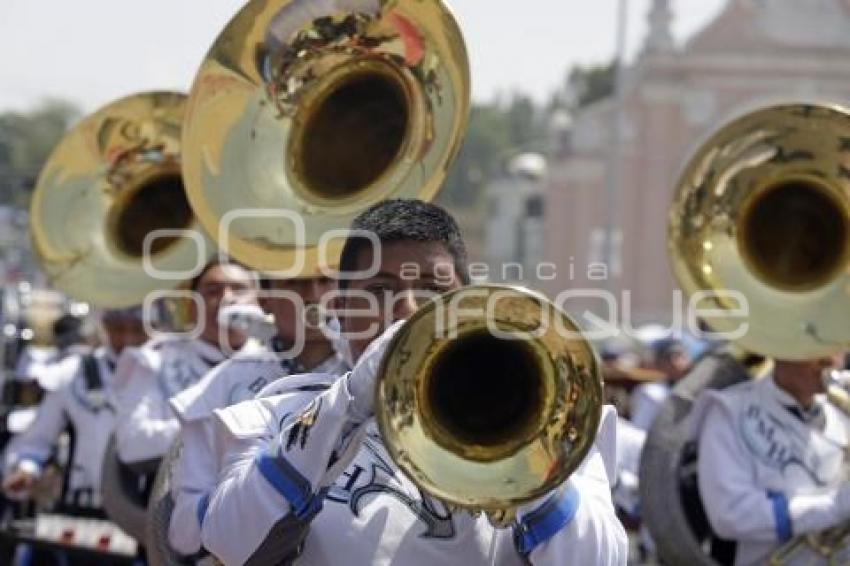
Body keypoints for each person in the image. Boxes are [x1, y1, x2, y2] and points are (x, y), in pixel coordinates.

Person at [197, 199, 627, 565]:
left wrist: (520, 447)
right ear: (342, 312)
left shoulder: (553, 424)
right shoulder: (274, 414)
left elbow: (594, 558)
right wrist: (346, 404)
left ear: (467, 300)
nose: (407, 310)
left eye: (431, 288)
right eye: (380, 290)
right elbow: (229, 544)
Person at [167, 273, 348, 556]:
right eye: (296, 283)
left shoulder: (370, 369)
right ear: (267, 302)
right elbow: (184, 530)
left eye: (326, 281)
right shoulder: (224, 382)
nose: (313, 295)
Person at [693, 355, 850, 566]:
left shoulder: (840, 412)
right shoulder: (729, 410)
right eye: (816, 351)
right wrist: (833, 507)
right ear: (781, 350)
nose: (833, 361)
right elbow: (730, 514)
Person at [112, 259, 258, 468]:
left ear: (261, 302)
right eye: (213, 291)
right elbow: (131, 444)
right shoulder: (154, 360)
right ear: (190, 307)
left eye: (239, 289)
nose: (226, 299)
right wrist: (219, 428)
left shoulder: (281, 363)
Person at [2, 307, 148, 512]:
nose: (128, 338)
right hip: (84, 502)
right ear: (105, 326)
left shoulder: (167, 375)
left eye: (137, 329)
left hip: (147, 511)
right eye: (119, 328)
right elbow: (39, 439)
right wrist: (27, 469)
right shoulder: (73, 374)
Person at [630, 337, 691, 431]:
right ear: (660, 363)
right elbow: (639, 431)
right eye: (669, 358)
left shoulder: (699, 390)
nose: (677, 362)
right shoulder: (651, 394)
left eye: (680, 355)